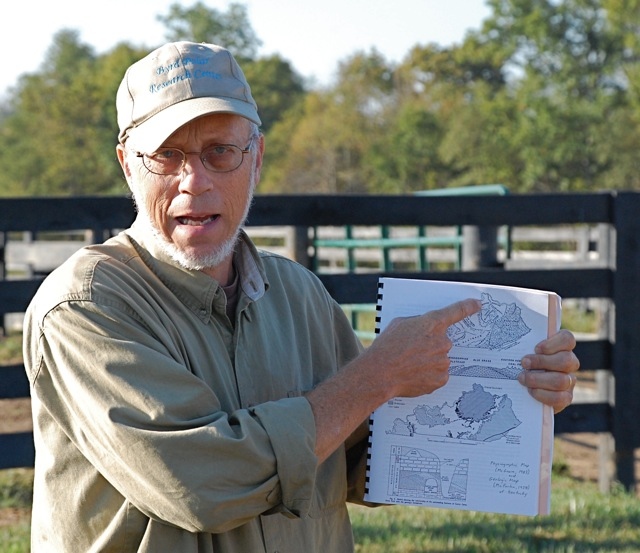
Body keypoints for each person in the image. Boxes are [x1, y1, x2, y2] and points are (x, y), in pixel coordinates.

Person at [23, 41, 579, 553]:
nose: (194, 181)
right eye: (166, 155)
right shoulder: (86, 306)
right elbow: (198, 485)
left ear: (257, 158)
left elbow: (363, 460)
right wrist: (376, 377)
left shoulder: (299, 294)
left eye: (220, 151)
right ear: (127, 164)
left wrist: (520, 392)